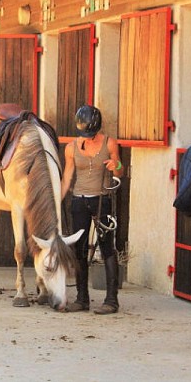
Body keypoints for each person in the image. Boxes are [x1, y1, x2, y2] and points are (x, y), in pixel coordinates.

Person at [61, 105, 123, 314]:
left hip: (102, 199)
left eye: (90, 134)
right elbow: (67, 177)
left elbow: (120, 171)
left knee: (106, 246)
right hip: (79, 200)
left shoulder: (109, 143)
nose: (87, 137)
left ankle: (111, 300)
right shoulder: (71, 148)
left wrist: (116, 165)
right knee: (78, 249)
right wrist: (58, 200)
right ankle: (82, 299)